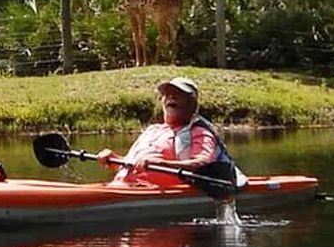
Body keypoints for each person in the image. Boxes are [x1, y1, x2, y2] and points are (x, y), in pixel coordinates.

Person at [97, 77, 243, 190]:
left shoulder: (199, 132)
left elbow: (203, 164)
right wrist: (113, 159)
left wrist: (161, 163)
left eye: (177, 94)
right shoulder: (152, 130)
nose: (170, 98)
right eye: (167, 94)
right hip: (121, 187)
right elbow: (135, 165)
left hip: (155, 192)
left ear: (192, 103)